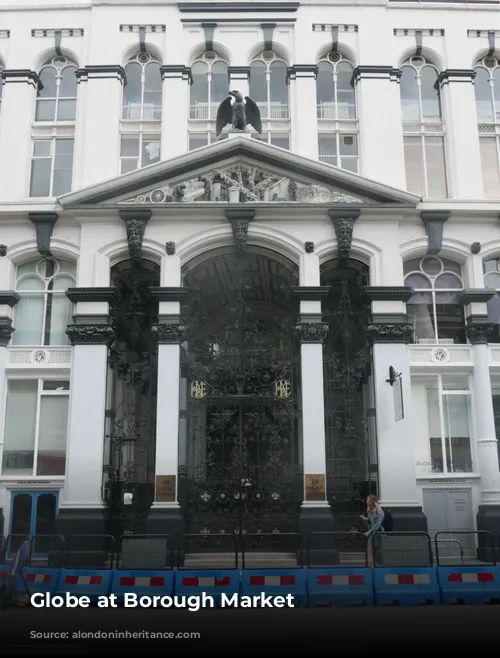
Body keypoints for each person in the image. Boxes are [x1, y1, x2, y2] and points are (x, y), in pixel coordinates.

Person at [360, 494, 385, 567]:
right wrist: (364, 518)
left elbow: (378, 524)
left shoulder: (378, 511)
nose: (366, 501)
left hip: (377, 532)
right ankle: (372, 565)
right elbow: (370, 520)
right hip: (373, 532)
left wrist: (369, 531)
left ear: (372, 501)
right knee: (373, 549)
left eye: (367, 499)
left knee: (370, 549)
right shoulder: (370, 509)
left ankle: (370, 566)